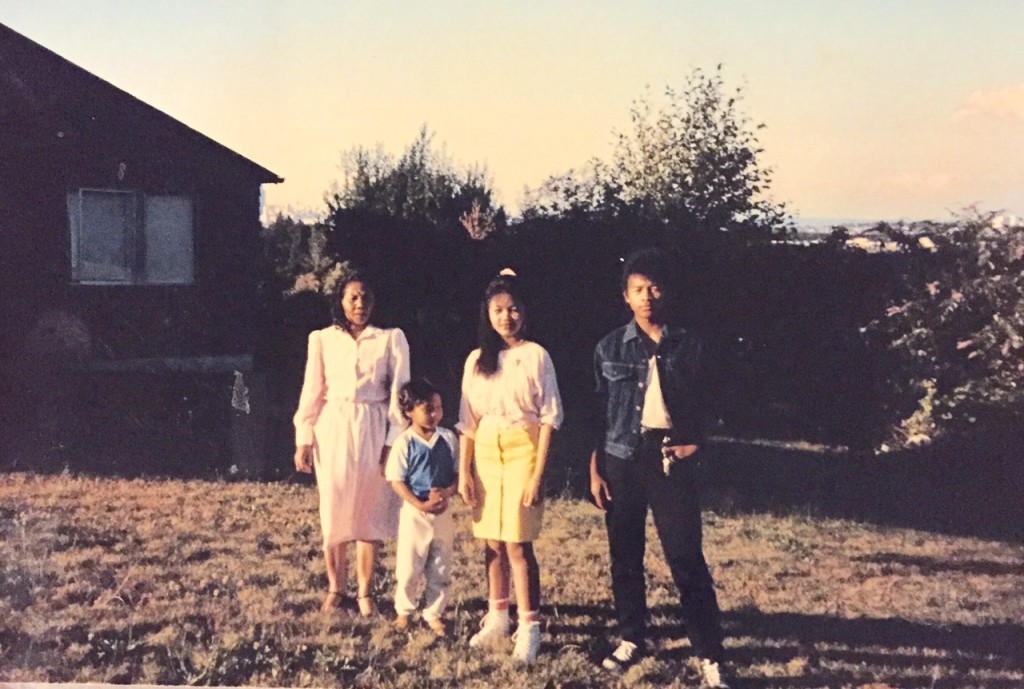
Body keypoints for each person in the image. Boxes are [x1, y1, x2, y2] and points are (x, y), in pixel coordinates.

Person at [589, 249, 731, 688]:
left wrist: (697, 445)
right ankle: (632, 638)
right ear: (625, 297)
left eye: (654, 287)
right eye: (637, 289)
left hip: (671, 460)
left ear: (665, 291)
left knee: (686, 558)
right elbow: (598, 413)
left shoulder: (693, 345)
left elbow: (717, 406)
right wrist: (596, 468)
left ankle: (709, 654)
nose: (647, 296)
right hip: (621, 459)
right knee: (625, 558)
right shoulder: (609, 347)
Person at [457, 272, 563, 664]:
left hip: (523, 448)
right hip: (486, 450)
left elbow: (550, 417)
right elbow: (467, 421)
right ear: (487, 314)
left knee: (518, 543)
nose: (507, 317)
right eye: (499, 310)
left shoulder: (536, 355)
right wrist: (464, 471)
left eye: (513, 309)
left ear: (525, 312)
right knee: (492, 541)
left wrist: (538, 474)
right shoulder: (476, 360)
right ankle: (498, 615)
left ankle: (529, 626)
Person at [293, 272, 409, 617]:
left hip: (374, 426)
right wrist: (304, 438)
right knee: (335, 507)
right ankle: (335, 588)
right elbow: (312, 391)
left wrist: (392, 439)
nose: (360, 304)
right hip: (333, 428)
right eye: (353, 298)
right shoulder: (322, 339)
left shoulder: (390, 339)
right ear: (341, 302)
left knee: (369, 509)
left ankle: (364, 591)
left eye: (366, 298)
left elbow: (400, 393)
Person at [385, 378, 459, 636]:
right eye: (428, 408)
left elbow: (458, 476)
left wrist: (446, 494)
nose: (435, 413)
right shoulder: (405, 442)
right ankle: (404, 611)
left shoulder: (448, 439)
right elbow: (396, 480)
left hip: (442, 513)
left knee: (441, 565)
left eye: (438, 407)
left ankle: (434, 613)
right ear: (409, 411)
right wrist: (419, 503)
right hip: (415, 515)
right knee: (409, 567)